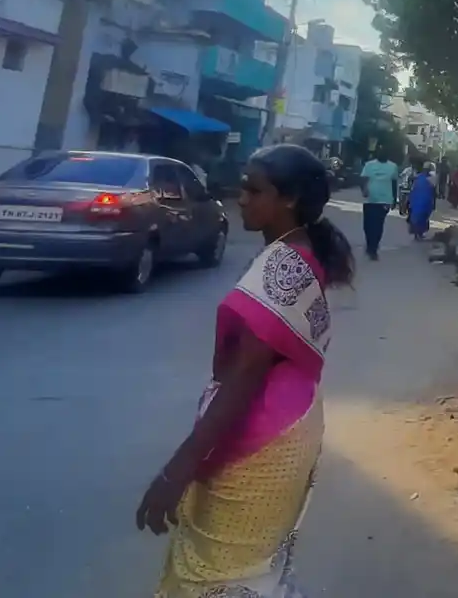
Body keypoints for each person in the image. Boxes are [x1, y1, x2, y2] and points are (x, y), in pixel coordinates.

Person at [137, 144, 355, 598]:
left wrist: (178, 467)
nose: (241, 198)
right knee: (249, 566)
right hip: (290, 421)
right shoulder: (296, 251)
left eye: (255, 190)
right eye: (243, 187)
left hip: (264, 437)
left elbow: (245, 376)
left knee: (224, 573)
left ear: (289, 199)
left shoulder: (283, 262)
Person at [358, 146, 398, 261]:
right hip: (370, 199)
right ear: (377, 154)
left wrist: (394, 199)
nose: (382, 154)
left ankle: (373, 249)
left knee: (378, 225)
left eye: (384, 152)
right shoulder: (369, 165)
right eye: (380, 152)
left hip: (385, 200)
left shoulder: (393, 166)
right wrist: (364, 190)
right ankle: (369, 244)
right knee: (367, 225)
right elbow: (363, 179)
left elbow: (394, 183)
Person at [406, 162, 437, 241]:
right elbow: (434, 192)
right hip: (424, 201)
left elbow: (412, 188)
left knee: (418, 217)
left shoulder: (418, 177)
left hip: (418, 200)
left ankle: (418, 234)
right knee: (422, 217)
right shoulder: (431, 178)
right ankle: (419, 233)